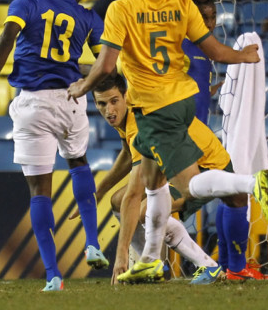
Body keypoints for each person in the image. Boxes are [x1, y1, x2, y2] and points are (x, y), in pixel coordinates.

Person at [66, 0, 268, 284]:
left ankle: (251, 182)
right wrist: (244, 56)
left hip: (155, 107)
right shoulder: (183, 4)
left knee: (188, 185)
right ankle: (151, 258)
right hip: (181, 102)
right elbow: (214, 50)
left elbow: (106, 63)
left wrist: (83, 86)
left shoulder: (121, 8)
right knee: (153, 185)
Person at [0, 0, 109, 292]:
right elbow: (104, 63)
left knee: (40, 191)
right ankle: (92, 242)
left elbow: (7, 37)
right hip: (70, 98)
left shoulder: (26, 3)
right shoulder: (87, 16)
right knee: (79, 163)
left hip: (32, 102)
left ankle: (53, 275)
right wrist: (87, 86)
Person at [86, 74, 225, 284]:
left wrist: (121, 255)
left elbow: (135, 192)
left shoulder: (137, 121)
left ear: (125, 96)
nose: (109, 110)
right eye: (102, 104)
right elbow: (127, 153)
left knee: (143, 210)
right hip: (175, 164)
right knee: (117, 200)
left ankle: (207, 266)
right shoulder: (124, 114)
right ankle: (152, 266)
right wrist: (100, 191)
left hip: (203, 168)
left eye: (114, 101)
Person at [182, 0, 268, 280]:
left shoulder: (200, 51)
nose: (209, 25)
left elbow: (191, 89)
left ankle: (229, 267)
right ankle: (226, 266)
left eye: (213, 18)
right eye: (202, 18)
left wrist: (217, 89)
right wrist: (244, 57)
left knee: (230, 195)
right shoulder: (180, 46)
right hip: (184, 138)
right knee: (227, 194)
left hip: (199, 137)